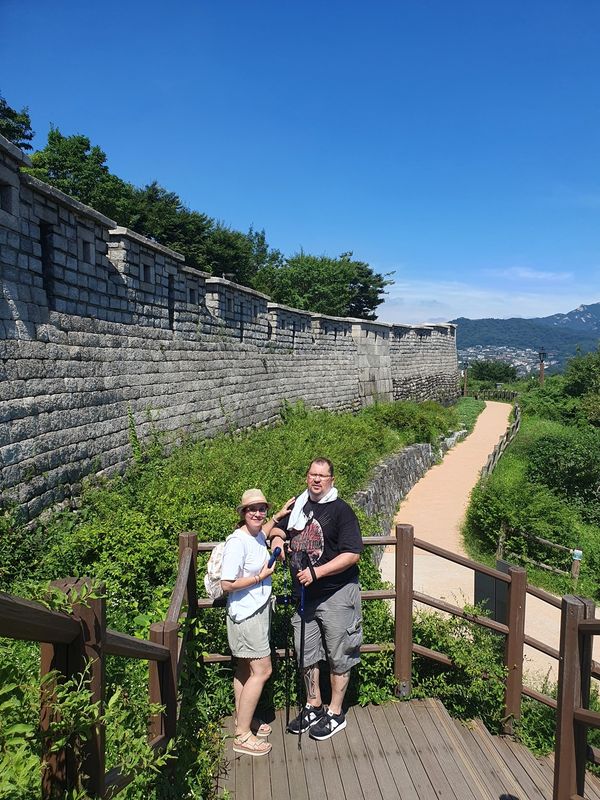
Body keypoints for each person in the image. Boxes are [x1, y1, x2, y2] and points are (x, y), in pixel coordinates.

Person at [267, 458, 363, 740]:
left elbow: (352, 553)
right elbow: (277, 530)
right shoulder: (298, 505)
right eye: (313, 475)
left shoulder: (342, 511)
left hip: (336, 594)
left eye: (322, 476)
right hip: (304, 596)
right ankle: (313, 704)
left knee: (338, 655)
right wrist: (276, 542)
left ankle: (335, 712)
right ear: (306, 477)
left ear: (332, 479)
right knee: (306, 653)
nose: (317, 480)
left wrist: (316, 572)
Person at [221, 488, 278, 757]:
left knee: (244, 669)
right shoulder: (237, 542)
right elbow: (227, 583)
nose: (258, 513)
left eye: (262, 508)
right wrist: (260, 577)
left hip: (254, 612)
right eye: (252, 509)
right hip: (246, 615)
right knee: (262, 671)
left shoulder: (256, 535)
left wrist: (278, 519)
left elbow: (264, 530)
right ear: (242, 513)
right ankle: (243, 735)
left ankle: (244, 719)